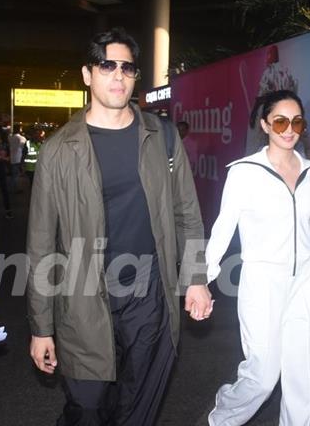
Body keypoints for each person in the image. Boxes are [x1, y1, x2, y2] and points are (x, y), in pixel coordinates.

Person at [26, 27, 211, 426]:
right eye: (107, 65)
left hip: (149, 295)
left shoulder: (160, 136)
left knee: (138, 404)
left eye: (127, 67)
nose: (118, 75)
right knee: (88, 407)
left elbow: (187, 212)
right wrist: (41, 327)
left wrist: (195, 277)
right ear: (87, 74)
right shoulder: (59, 150)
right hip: (84, 298)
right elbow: (41, 242)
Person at [204, 90, 310, 426]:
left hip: (306, 282)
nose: (289, 129)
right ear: (265, 124)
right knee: (263, 374)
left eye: (297, 121)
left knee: (304, 375)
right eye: (280, 120)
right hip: (262, 282)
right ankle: (222, 418)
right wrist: (199, 280)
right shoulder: (244, 171)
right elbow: (222, 229)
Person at [8, 125, 26, 192]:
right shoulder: (22, 138)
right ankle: (14, 188)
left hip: (12, 157)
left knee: (14, 173)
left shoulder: (10, 137)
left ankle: (13, 187)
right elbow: (23, 147)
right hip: (19, 157)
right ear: (19, 130)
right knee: (16, 174)